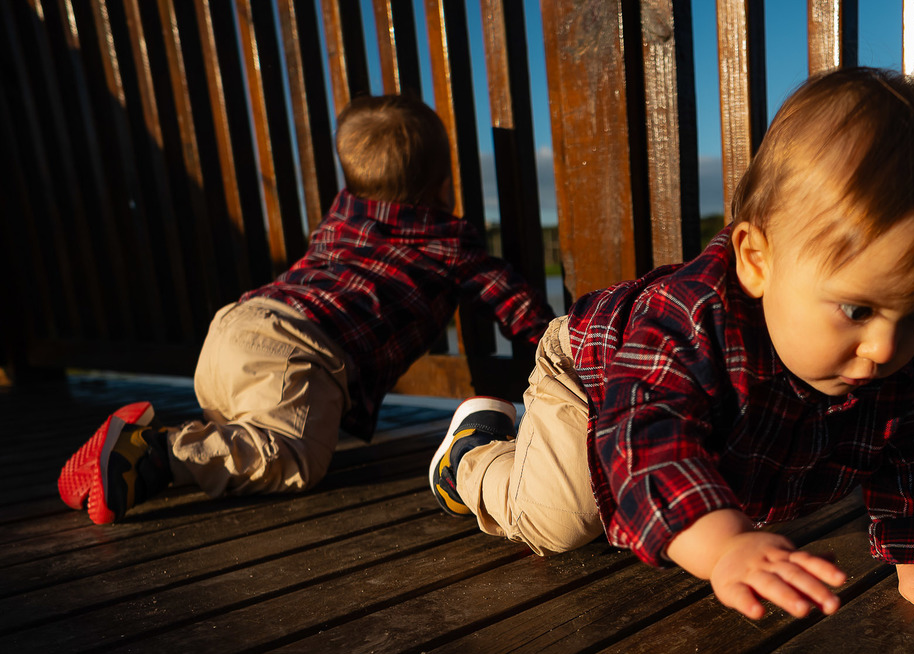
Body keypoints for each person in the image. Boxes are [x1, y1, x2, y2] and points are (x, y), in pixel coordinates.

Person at [429, 67, 914, 622]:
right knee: (561, 523)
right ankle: (473, 455)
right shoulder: (691, 322)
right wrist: (724, 546)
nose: (888, 347)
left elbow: (911, 445)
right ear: (757, 262)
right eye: (856, 309)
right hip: (599, 381)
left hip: (705, 417)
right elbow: (646, 435)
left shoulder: (892, 342)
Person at [60, 93, 554, 525]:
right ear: (443, 186)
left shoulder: (341, 219)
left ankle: (124, 470)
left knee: (251, 440)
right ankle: (155, 454)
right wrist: (557, 350)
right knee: (294, 459)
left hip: (234, 328)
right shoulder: (450, 244)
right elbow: (517, 307)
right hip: (298, 351)